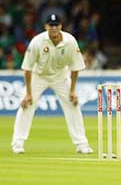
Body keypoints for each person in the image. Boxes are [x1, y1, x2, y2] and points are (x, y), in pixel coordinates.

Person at [11, 14, 93, 154]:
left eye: (56, 25)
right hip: (39, 76)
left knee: (73, 105)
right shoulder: (37, 42)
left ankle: (82, 144)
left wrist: (72, 91)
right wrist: (28, 94)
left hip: (60, 76)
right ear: (46, 26)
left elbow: (75, 67)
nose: (54, 28)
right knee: (26, 105)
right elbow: (27, 68)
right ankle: (17, 144)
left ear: (61, 26)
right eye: (51, 25)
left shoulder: (70, 41)